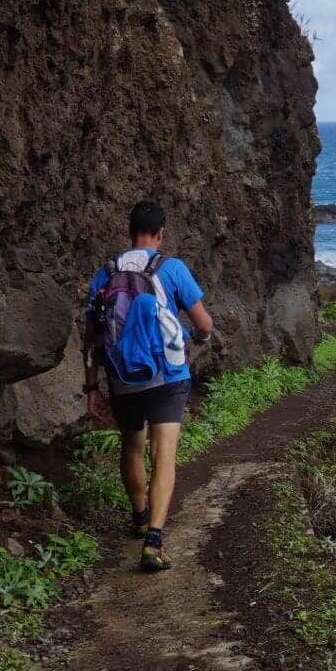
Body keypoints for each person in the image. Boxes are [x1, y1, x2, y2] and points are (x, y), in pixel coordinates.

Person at [82, 200, 213, 572]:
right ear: (160, 233)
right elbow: (203, 324)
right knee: (163, 455)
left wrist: (92, 388)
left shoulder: (105, 273)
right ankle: (153, 542)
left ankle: (139, 516)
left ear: (130, 232)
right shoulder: (171, 268)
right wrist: (198, 340)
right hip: (167, 376)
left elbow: (91, 337)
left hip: (122, 377)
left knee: (132, 447)